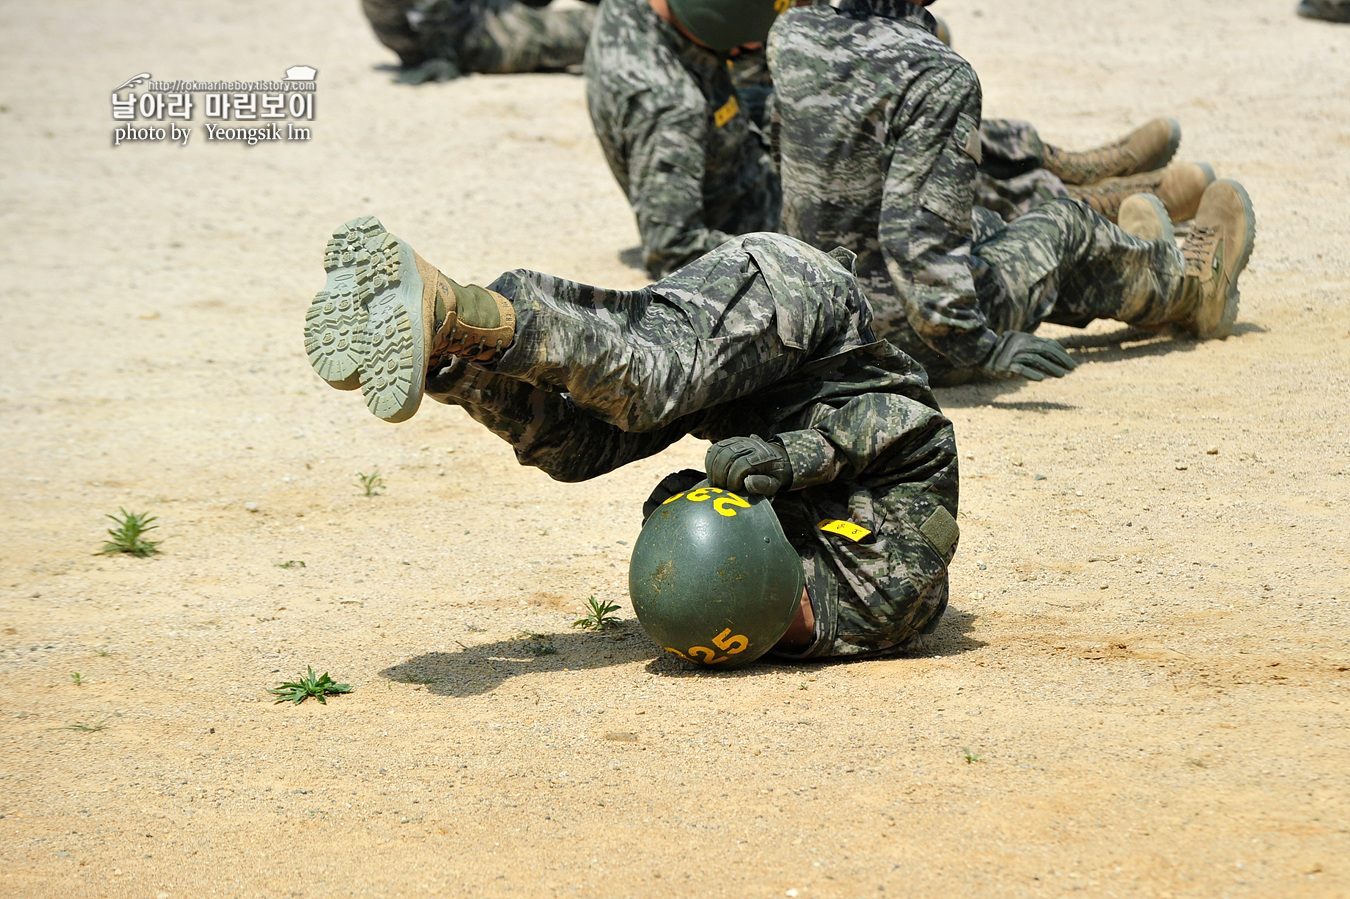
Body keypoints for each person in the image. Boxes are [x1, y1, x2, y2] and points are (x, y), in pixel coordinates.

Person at [303, 216, 960, 661]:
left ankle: (443, 358)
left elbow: (690, 508)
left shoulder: (743, 603)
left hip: (742, 398)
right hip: (808, 320)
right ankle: (460, 308)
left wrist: (682, 509)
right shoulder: (896, 584)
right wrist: (794, 458)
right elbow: (919, 432)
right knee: (653, 379)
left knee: (577, 449)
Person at [769, 0, 1256, 384]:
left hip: (824, 321)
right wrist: (978, 345)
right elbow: (917, 241)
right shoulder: (936, 72)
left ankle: (1130, 282)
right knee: (1065, 225)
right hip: (905, 344)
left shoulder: (792, 35)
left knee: (990, 227)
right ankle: (1195, 295)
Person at [583, 0, 786, 278]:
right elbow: (674, 252)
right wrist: (793, 262)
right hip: (753, 224)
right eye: (742, 45)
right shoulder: (670, 109)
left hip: (731, 136)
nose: (754, 47)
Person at [361, 0, 596, 84]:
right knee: (606, 27)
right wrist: (440, 57)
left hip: (475, 14)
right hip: (480, 39)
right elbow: (433, 17)